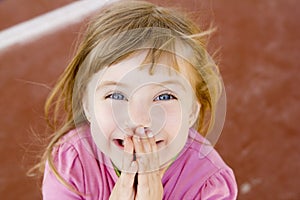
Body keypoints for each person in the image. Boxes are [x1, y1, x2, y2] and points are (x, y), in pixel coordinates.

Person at [36, 0, 237, 199]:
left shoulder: (209, 185)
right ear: (87, 104)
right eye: (116, 96)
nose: (139, 119)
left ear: (192, 110)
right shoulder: (72, 163)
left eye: (164, 96)